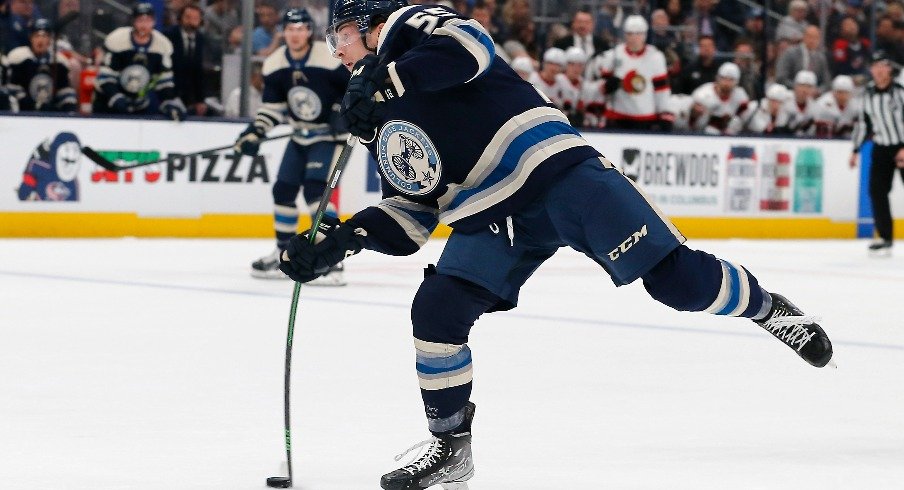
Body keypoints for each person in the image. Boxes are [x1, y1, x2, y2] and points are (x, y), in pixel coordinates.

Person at [280, 1, 836, 488]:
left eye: (342, 35)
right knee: (437, 311)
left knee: (679, 284)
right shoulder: (377, 118)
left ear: (373, 24)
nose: (337, 49)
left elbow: (470, 47)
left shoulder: (413, 30)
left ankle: (770, 310)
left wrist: (389, 80)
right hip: (490, 214)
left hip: (556, 171)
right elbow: (414, 213)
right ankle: (451, 448)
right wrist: (343, 238)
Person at [233, 8, 350, 283]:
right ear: (283, 32)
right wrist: (255, 131)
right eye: (290, 29)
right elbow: (272, 108)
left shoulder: (329, 57)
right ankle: (283, 253)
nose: (295, 34)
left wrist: (341, 111)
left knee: (315, 191)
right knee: (283, 189)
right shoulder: (274, 64)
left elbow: (352, 87)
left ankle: (330, 257)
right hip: (300, 136)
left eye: (301, 28)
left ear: (309, 31)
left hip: (329, 138)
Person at [92, 2, 186, 120]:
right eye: (140, 20)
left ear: (154, 22)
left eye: (148, 21)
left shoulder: (163, 45)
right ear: (133, 21)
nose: (144, 25)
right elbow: (105, 76)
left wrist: (169, 103)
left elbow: (164, 81)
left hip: (140, 103)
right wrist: (116, 98)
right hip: (108, 102)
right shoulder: (117, 39)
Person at [850, 51, 904, 254]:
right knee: (877, 192)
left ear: (889, 69)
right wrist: (855, 149)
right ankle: (885, 237)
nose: (879, 70)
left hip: (902, 145)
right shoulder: (867, 94)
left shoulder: (900, 92)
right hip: (881, 147)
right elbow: (864, 124)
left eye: (883, 65)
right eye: (875, 66)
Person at [586, 15, 673, 130]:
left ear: (644, 35)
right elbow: (599, 86)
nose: (633, 38)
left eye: (638, 34)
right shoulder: (613, 55)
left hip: (645, 118)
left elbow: (662, 90)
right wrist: (606, 86)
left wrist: (664, 115)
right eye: (629, 34)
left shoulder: (656, 57)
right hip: (617, 117)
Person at [5, 18, 77, 112]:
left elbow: (65, 91)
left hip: (51, 111)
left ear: (51, 39)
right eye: (37, 36)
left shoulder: (59, 61)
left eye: (45, 36)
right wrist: (31, 105)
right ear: (31, 38)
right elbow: (12, 88)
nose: (40, 40)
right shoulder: (20, 58)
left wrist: (67, 108)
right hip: (23, 111)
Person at [164, 5, 208, 116]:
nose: (191, 22)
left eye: (195, 18)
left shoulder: (200, 38)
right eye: (188, 17)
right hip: (169, 91)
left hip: (189, 95)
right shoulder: (169, 35)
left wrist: (200, 100)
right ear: (180, 18)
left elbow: (198, 71)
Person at [690, 62, 749, 135]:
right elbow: (692, 120)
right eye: (724, 78)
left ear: (737, 81)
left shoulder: (740, 95)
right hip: (702, 132)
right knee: (711, 129)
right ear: (717, 78)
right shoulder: (703, 94)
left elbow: (744, 119)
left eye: (731, 80)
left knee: (736, 121)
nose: (726, 83)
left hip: (730, 132)